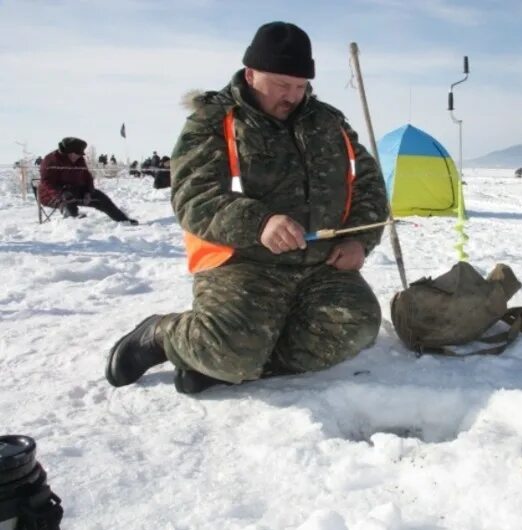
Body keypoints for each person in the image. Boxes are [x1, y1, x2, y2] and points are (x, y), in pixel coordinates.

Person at [106, 21, 389, 394]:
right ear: (251, 73)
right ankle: (164, 335)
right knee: (230, 345)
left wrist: (361, 241)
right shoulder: (213, 120)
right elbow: (193, 197)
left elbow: (369, 185)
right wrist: (260, 223)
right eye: (281, 85)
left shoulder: (329, 122)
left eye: (301, 86)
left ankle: (231, 366)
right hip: (244, 263)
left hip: (322, 265)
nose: (292, 96)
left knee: (356, 328)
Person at [38, 137, 138, 224]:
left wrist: (88, 192)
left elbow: (87, 177)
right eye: (76, 153)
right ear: (68, 151)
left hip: (76, 190)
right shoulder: (50, 160)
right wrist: (61, 193)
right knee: (67, 198)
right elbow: (47, 183)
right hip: (52, 194)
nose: (79, 156)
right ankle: (74, 224)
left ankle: (123, 220)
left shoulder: (79, 160)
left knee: (100, 197)